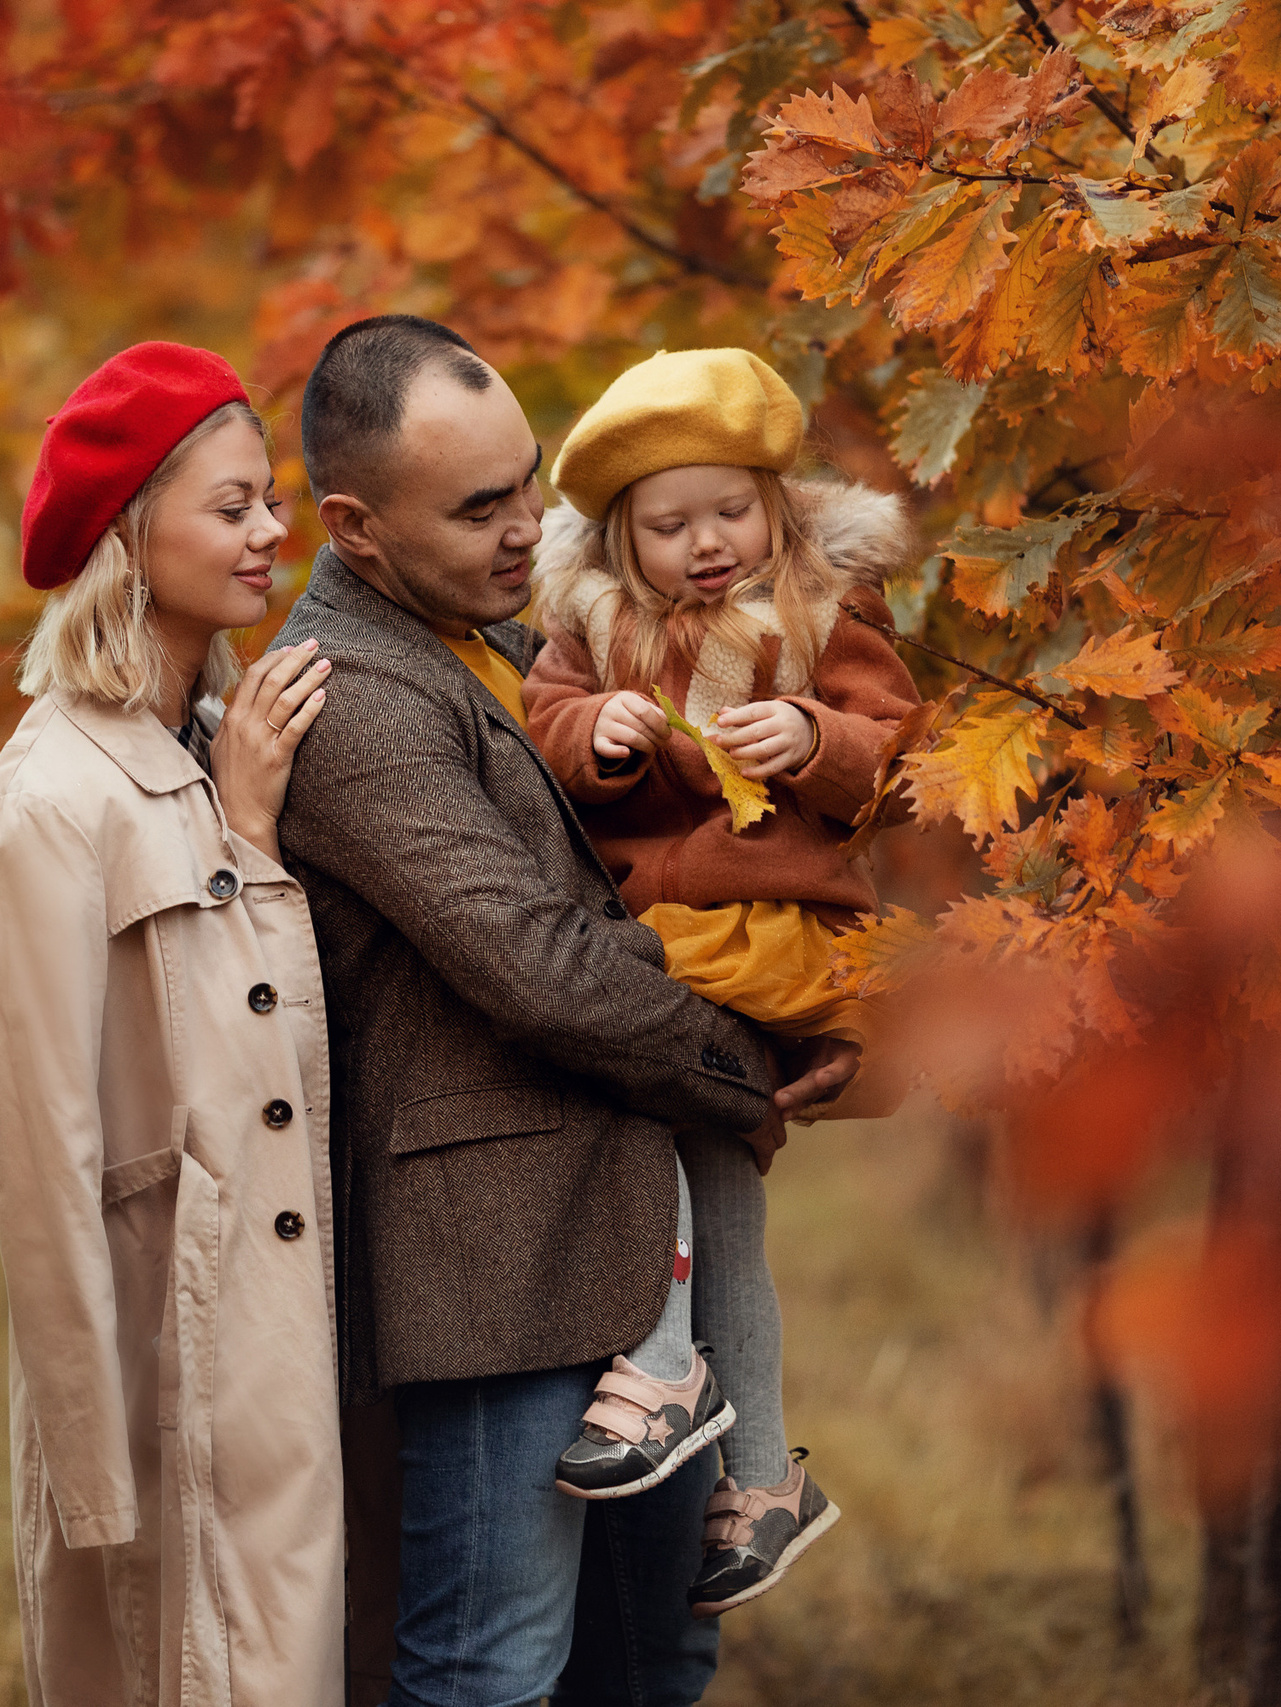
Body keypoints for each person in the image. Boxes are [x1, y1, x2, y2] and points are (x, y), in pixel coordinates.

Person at [271, 315, 861, 1707]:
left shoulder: (522, 635)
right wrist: (751, 1054)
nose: (530, 526)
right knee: (492, 1669)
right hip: (503, 1271)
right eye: (480, 506)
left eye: (529, 480)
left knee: (650, 1667)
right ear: (356, 527)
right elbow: (535, 961)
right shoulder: (350, 695)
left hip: (638, 1248)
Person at [0, 341, 344, 1706]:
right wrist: (91, 1471)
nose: (271, 531)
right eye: (231, 506)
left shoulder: (222, 739)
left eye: (269, 500)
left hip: (276, 1344)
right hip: (159, 1370)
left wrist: (245, 825)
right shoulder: (50, 804)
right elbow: (44, 1156)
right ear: (130, 537)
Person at [520, 347, 921, 1614]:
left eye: (730, 512)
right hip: (680, 941)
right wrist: (596, 733)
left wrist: (813, 735)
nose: (705, 545)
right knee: (723, 1199)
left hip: (770, 940)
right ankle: (760, 1481)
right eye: (669, 525)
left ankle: (659, 1366)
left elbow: (898, 753)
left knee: (634, 1096)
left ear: (776, 506)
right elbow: (541, 720)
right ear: (619, 539)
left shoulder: (822, 615)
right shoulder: (591, 628)